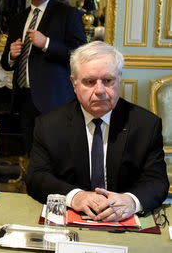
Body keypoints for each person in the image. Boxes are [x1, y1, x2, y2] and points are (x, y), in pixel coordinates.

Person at [26, 41, 169, 222]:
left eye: (108, 81)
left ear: (119, 78)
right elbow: (36, 177)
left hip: (124, 225)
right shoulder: (48, 125)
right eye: (89, 82)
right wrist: (75, 196)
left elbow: (157, 181)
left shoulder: (146, 125)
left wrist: (131, 201)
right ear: (74, 83)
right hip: (71, 223)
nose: (100, 90)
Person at [1, 0, 86, 155]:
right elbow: (5, 63)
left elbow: (80, 54)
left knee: (56, 156)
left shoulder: (68, 14)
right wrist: (11, 55)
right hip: (24, 100)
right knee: (32, 154)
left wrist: (47, 43)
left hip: (55, 101)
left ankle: (55, 187)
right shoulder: (18, 19)